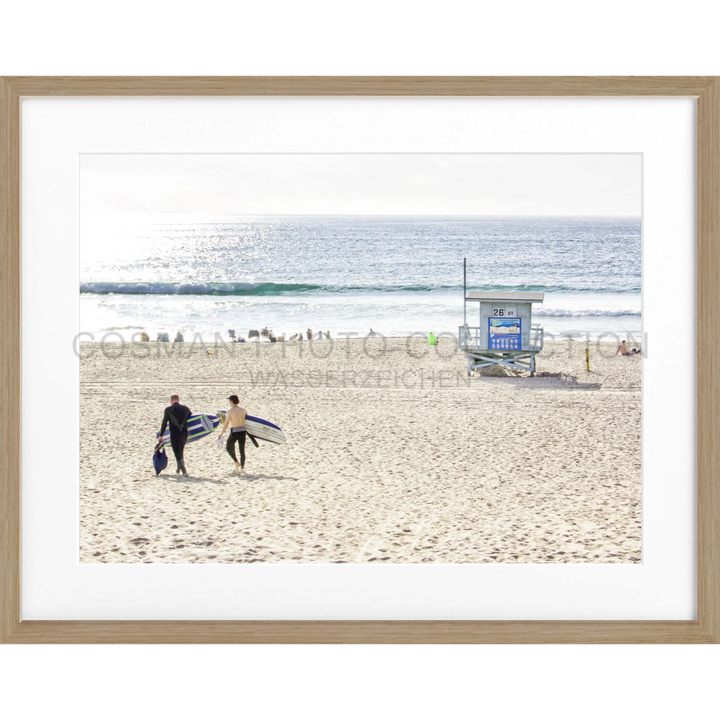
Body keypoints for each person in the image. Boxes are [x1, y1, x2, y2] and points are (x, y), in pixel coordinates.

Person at [158, 395, 192, 477]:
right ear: (178, 400)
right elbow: (192, 418)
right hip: (184, 433)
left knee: (177, 452)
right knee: (181, 450)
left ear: (171, 400)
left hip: (174, 433)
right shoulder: (186, 409)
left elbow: (164, 423)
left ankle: (184, 471)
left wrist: (161, 435)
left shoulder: (168, 410)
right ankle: (178, 469)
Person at [219, 395, 247, 475]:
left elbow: (226, 423)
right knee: (242, 451)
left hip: (234, 431)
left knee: (228, 448)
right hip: (243, 431)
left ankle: (236, 462)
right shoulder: (244, 410)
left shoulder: (230, 411)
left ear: (231, 401)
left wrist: (221, 433)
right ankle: (242, 468)